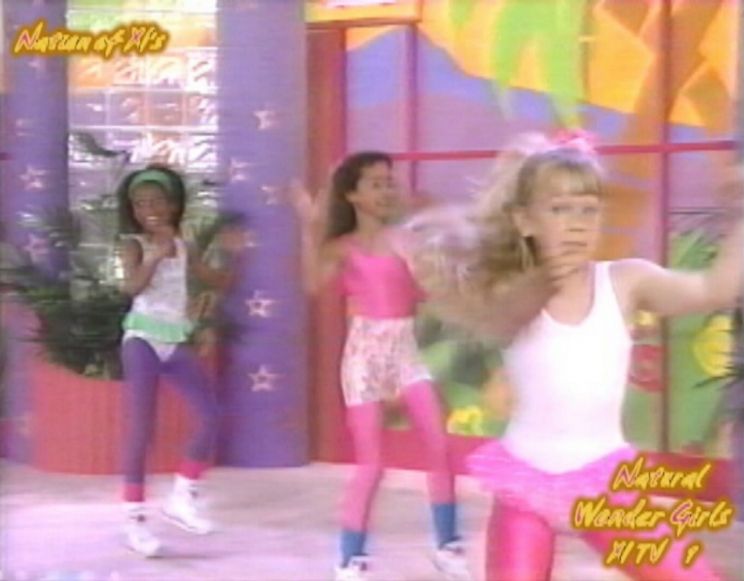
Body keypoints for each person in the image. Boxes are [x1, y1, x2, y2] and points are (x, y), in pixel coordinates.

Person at [403, 132, 739, 580]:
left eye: (589, 210)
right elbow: (445, 267)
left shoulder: (626, 282)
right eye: (560, 210)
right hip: (525, 486)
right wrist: (531, 263)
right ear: (525, 220)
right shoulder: (512, 292)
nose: (578, 224)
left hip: (606, 484)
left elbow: (714, 288)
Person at [292, 152, 470, 581]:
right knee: (371, 464)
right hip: (364, 358)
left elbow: (433, 288)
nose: (387, 189)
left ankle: (448, 545)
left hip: (405, 352)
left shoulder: (407, 239)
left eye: (390, 181)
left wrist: (432, 245)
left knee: (440, 445)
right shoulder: (343, 247)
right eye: (375, 183)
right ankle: (351, 558)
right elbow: (312, 284)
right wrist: (310, 227)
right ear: (353, 195)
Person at [117, 164, 243, 557]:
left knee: (211, 414)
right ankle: (134, 520)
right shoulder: (133, 243)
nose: (148, 210)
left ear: (172, 205)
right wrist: (155, 255)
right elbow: (131, 287)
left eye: (156, 202)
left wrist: (232, 255)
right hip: (141, 339)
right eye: (140, 204)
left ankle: (183, 494)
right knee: (142, 429)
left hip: (174, 339)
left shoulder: (185, 245)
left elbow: (217, 281)